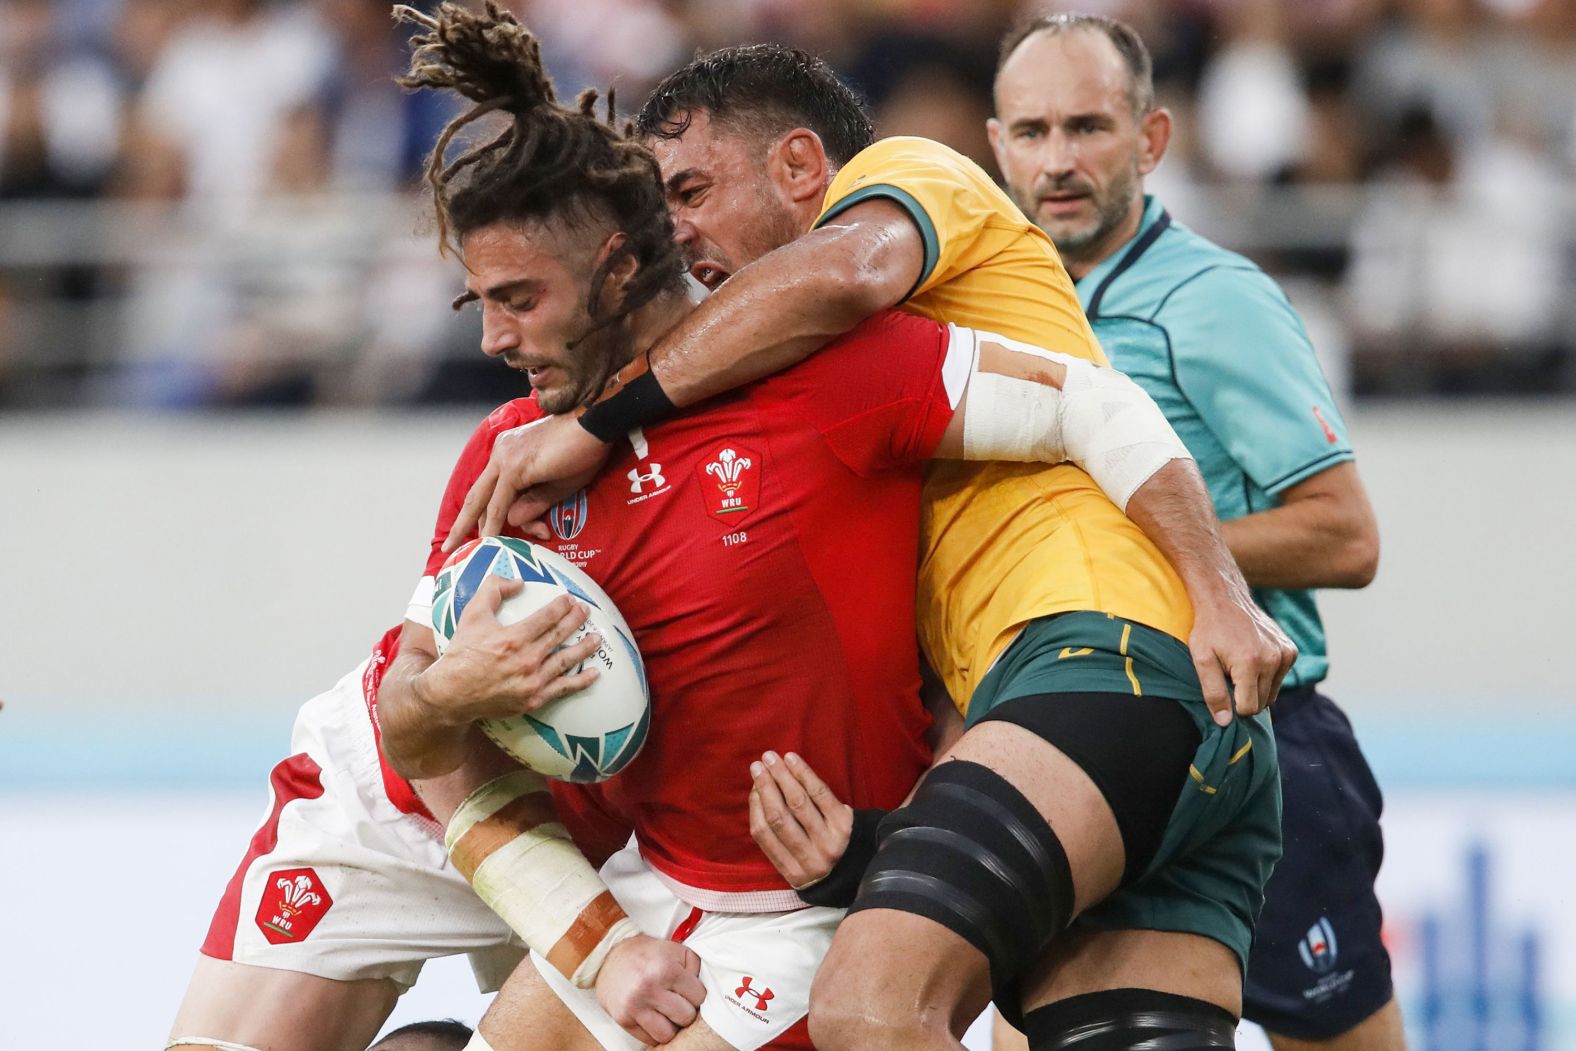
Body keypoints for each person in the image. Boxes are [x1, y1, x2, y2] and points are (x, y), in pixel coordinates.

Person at [168, 7, 1226, 1051]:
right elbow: (420, 724)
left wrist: (1216, 590)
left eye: (519, 298)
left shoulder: (835, 367)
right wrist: (467, 715)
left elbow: (1082, 403)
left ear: (622, 267)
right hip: (576, 869)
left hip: (775, 913)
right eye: (475, 304)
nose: (492, 338)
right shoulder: (510, 458)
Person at [453, 39, 1296, 1051]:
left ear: (802, 168)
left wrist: (599, 423)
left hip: (1108, 661)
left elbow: (858, 278)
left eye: (691, 189)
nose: (673, 233)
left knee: (871, 1008)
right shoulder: (825, 394)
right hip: (1135, 740)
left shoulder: (902, 177)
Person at [985, 15, 1393, 1051]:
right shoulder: (991, 322)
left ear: (1151, 139)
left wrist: (1137, 545)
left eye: (1088, 126)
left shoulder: (1215, 302)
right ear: (994, 148)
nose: (1059, 160)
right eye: (1032, 132)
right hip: (1084, 746)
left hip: (1256, 737)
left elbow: (1344, 537)